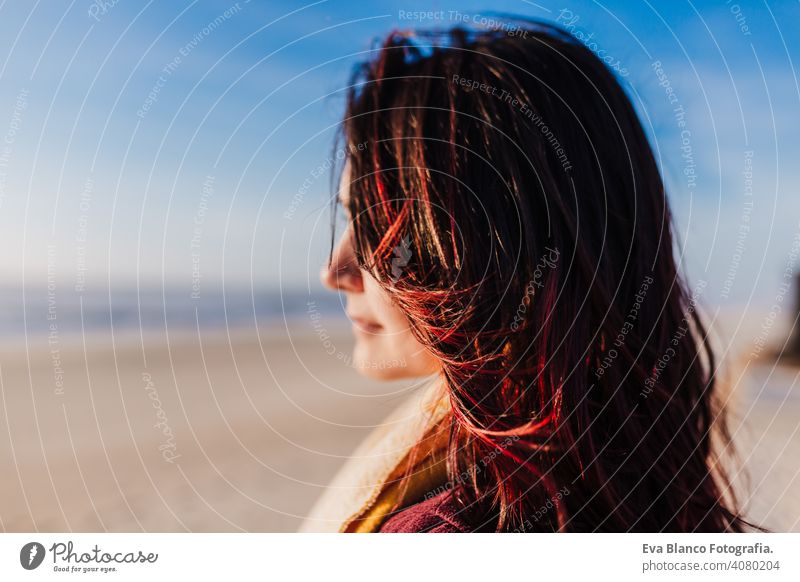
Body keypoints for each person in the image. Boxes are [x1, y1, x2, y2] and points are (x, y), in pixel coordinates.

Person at [313, 19, 753, 533]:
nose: (334, 272)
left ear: (495, 250)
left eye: (381, 230)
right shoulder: (643, 457)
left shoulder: (449, 530)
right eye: (349, 219)